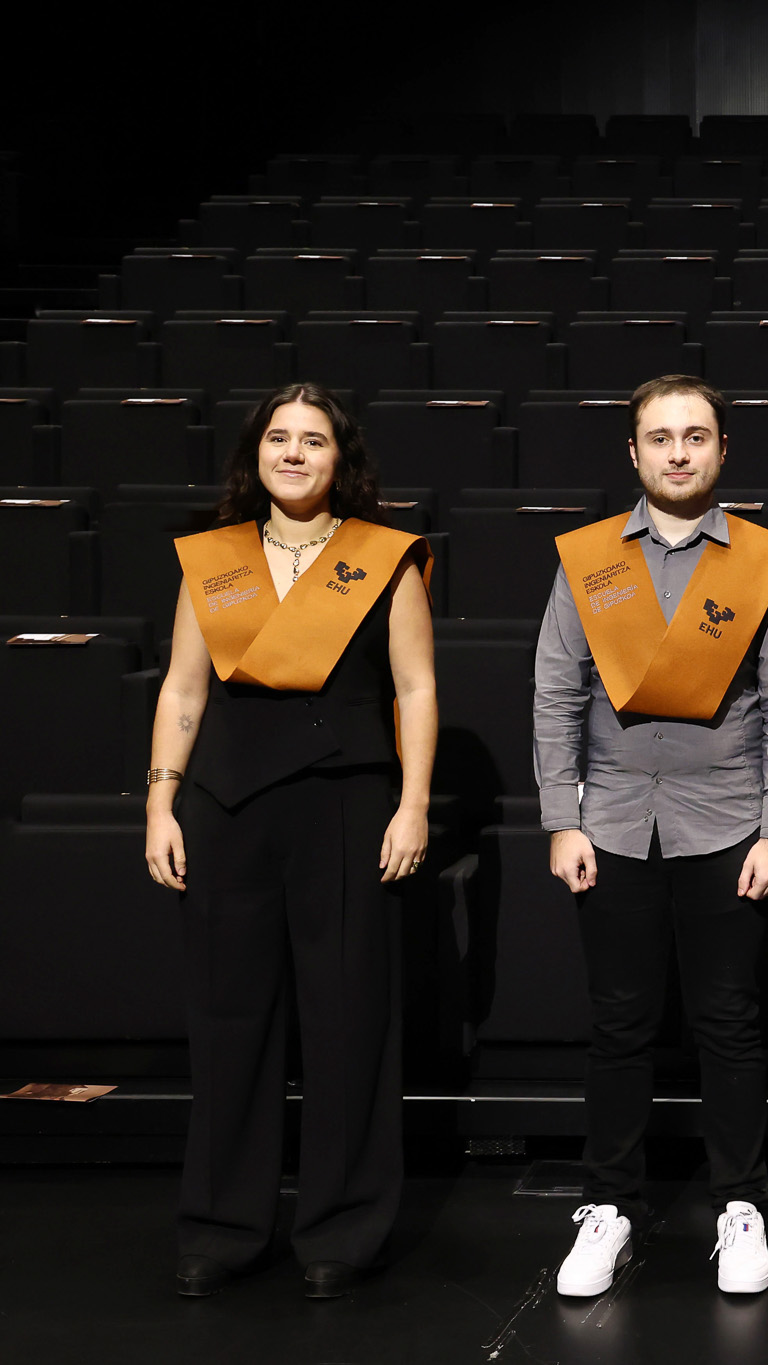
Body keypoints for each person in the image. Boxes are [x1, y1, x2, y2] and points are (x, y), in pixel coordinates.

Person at [144, 383, 437, 1299]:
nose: (295, 453)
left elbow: (416, 689)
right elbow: (183, 689)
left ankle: (341, 1229)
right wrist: (160, 803)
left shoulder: (383, 559)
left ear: (340, 459)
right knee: (228, 1020)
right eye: (280, 437)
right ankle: (224, 1226)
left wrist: (414, 804)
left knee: (347, 1019)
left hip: (347, 806)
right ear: (256, 453)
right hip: (227, 807)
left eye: (314, 440)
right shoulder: (213, 560)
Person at [534, 374, 768, 1299]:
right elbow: (556, 691)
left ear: (723, 449)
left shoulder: (765, 562)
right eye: (660, 437)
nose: (679, 452)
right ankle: (609, 1205)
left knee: (728, 1022)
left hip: (728, 824)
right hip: (612, 821)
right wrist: (562, 817)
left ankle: (741, 1204)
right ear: (634, 452)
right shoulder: (588, 560)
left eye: (696, 436)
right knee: (619, 1022)